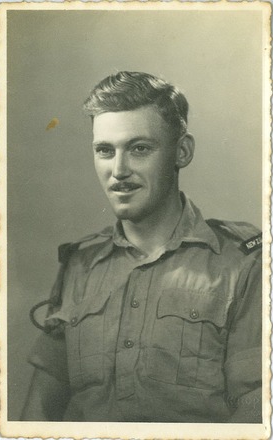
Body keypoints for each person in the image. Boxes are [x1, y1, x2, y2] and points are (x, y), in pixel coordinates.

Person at [22, 71, 262, 423]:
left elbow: (256, 412)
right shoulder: (80, 264)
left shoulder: (242, 263)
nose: (118, 170)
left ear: (182, 152)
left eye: (139, 149)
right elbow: (37, 415)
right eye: (105, 150)